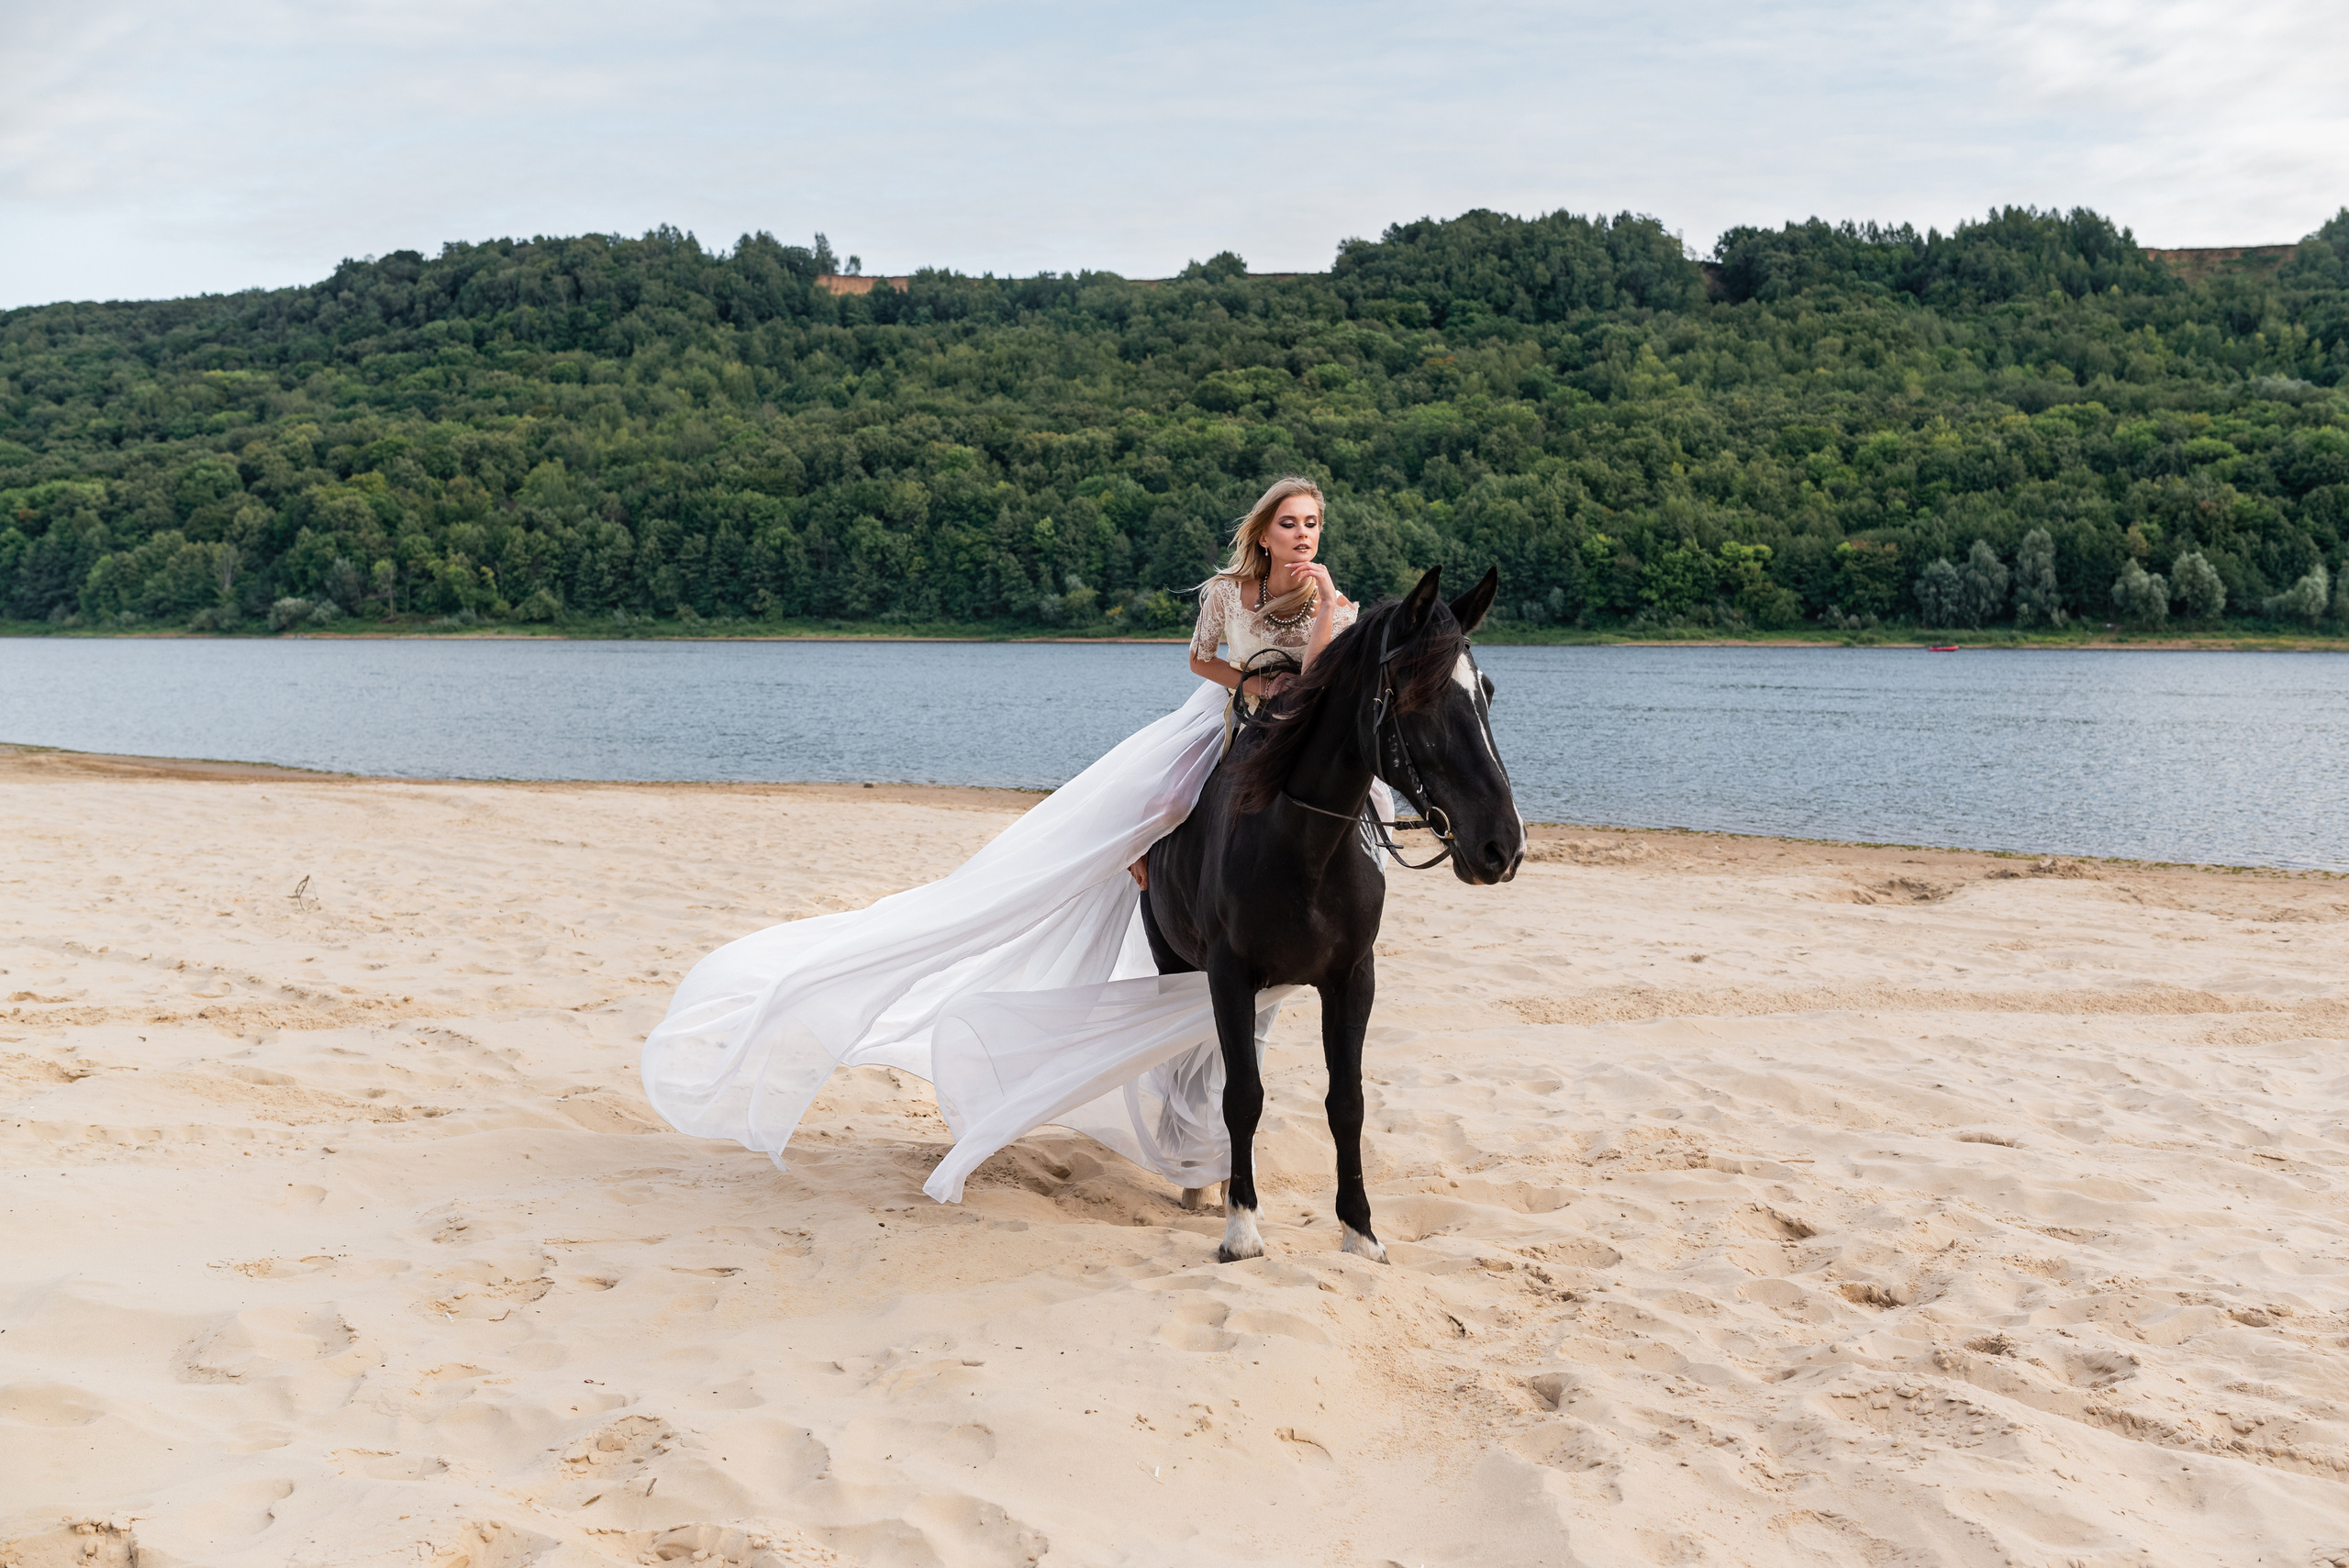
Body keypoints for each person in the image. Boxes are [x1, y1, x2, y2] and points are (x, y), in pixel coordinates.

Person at [640, 476, 1374, 1204]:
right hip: (1224, 719)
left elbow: (1318, 677)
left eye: (1313, 523)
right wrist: (1243, 684)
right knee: (1156, 799)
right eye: (1290, 523)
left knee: (1348, 801)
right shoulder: (1225, 592)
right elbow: (1198, 658)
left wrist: (1326, 604)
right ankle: (1145, 857)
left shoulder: (1330, 604)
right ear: (1264, 532)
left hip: (1292, 734)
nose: (1303, 535)